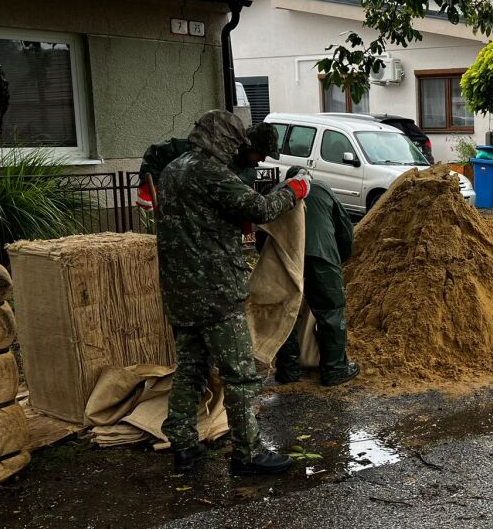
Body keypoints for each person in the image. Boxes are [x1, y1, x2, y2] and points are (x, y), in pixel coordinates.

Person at [157, 110, 310, 475]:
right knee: (240, 375)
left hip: (180, 292)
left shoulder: (173, 170)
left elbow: (201, 218)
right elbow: (261, 208)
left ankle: (183, 446)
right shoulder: (210, 171)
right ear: (224, 139)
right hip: (216, 292)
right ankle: (248, 453)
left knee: (191, 369)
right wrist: (294, 190)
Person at [274, 166, 360, 388]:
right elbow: (345, 230)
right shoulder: (321, 189)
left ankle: (287, 370)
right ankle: (335, 370)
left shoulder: (275, 193)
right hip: (321, 256)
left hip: (285, 259)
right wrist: (338, 260)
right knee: (330, 310)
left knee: (286, 313)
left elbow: (263, 237)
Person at [137, 122, 282, 208]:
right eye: (261, 154)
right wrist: (149, 187)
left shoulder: (249, 173)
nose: (263, 160)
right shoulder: (204, 153)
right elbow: (157, 152)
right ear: (250, 147)